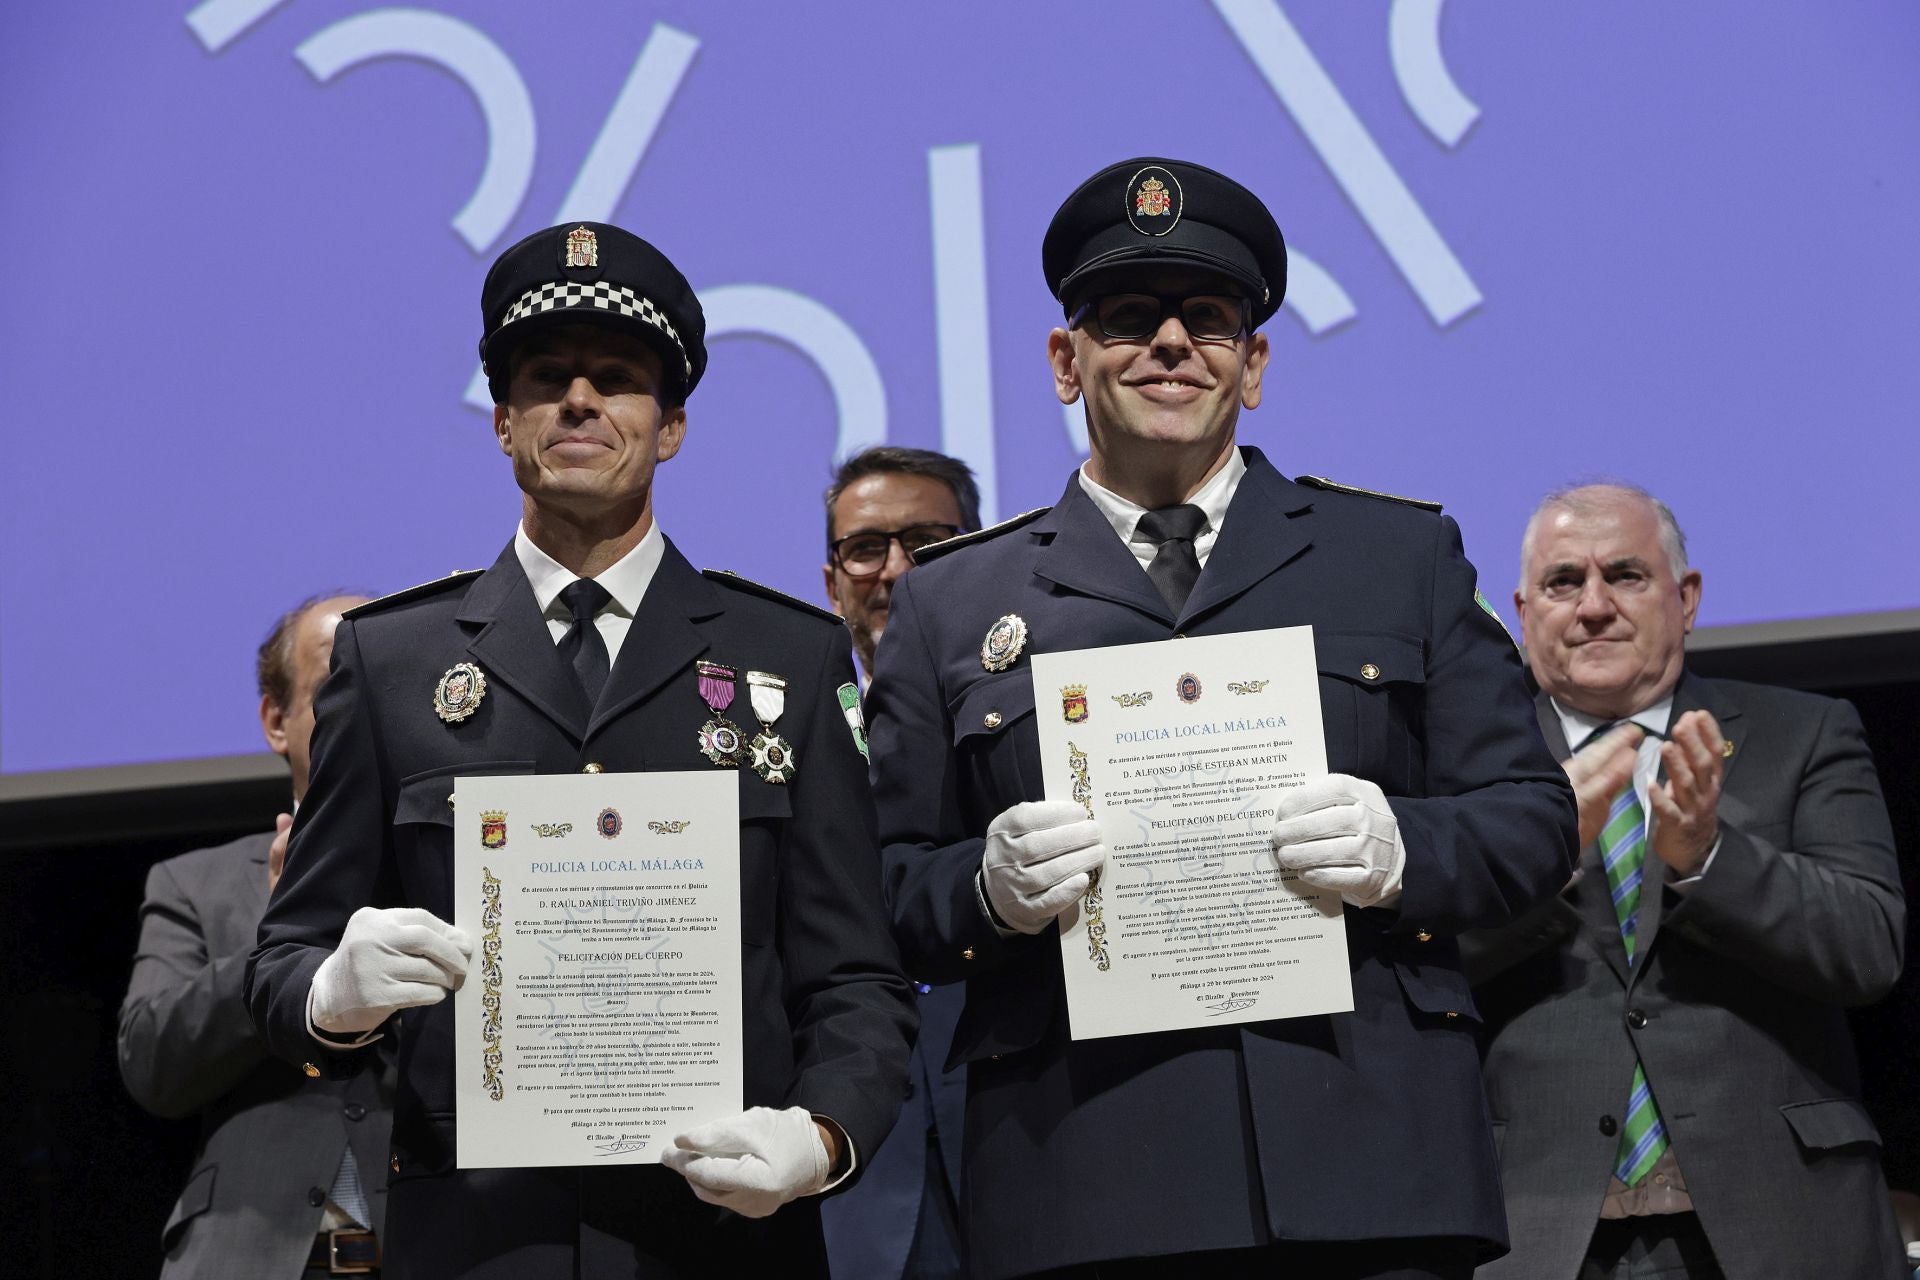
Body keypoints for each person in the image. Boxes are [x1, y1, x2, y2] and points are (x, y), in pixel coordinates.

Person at [864, 157, 1579, 1278]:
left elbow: (1534, 818)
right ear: (1067, 360)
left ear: (1253, 365)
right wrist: (983, 889)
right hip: (1083, 1176)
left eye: (1207, 317)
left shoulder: (1397, 559)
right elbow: (886, 878)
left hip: (1369, 1169)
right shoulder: (955, 600)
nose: (1169, 343)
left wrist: (1404, 846)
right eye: (1126, 317)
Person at [247, 222, 917, 1279]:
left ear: (673, 426)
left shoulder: (787, 649)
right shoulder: (392, 659)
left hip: (721, 1238)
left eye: (617, 377)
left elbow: (855, 980)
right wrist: (333, 992)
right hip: (479, 1238)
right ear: (505, 421)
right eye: (547, 376)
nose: (579, 399)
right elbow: (282, 959)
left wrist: (821, 1137)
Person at [1463, 482, 1907, 1279]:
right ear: (1525, 615)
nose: (1593, 605)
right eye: (1565, 582)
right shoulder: (1462, 767)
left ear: (1687, 597)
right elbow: (1411, 972)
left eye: (1625, 574)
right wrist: (1543, 859)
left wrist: (1707, 856)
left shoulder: (1802, 734)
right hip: (1530, 1226)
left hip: (1782, 1219)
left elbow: (1868, 949)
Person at [120, 591, 393, 1279]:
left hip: (445, 1242)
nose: (371, 700)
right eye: (341, 677)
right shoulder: (196, 882)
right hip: (251, 1252)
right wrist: (275, 950)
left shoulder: (467, 870)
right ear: (278, 720)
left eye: (391, 676)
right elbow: (152, 1065)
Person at [818, 446, 979, 1279]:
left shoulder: (1044, 726)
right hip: (856, 1163)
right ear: (831, 579)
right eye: (866, 548)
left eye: (928, 541)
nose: (897, 570)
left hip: (1021, 1140)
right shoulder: (786, 747)